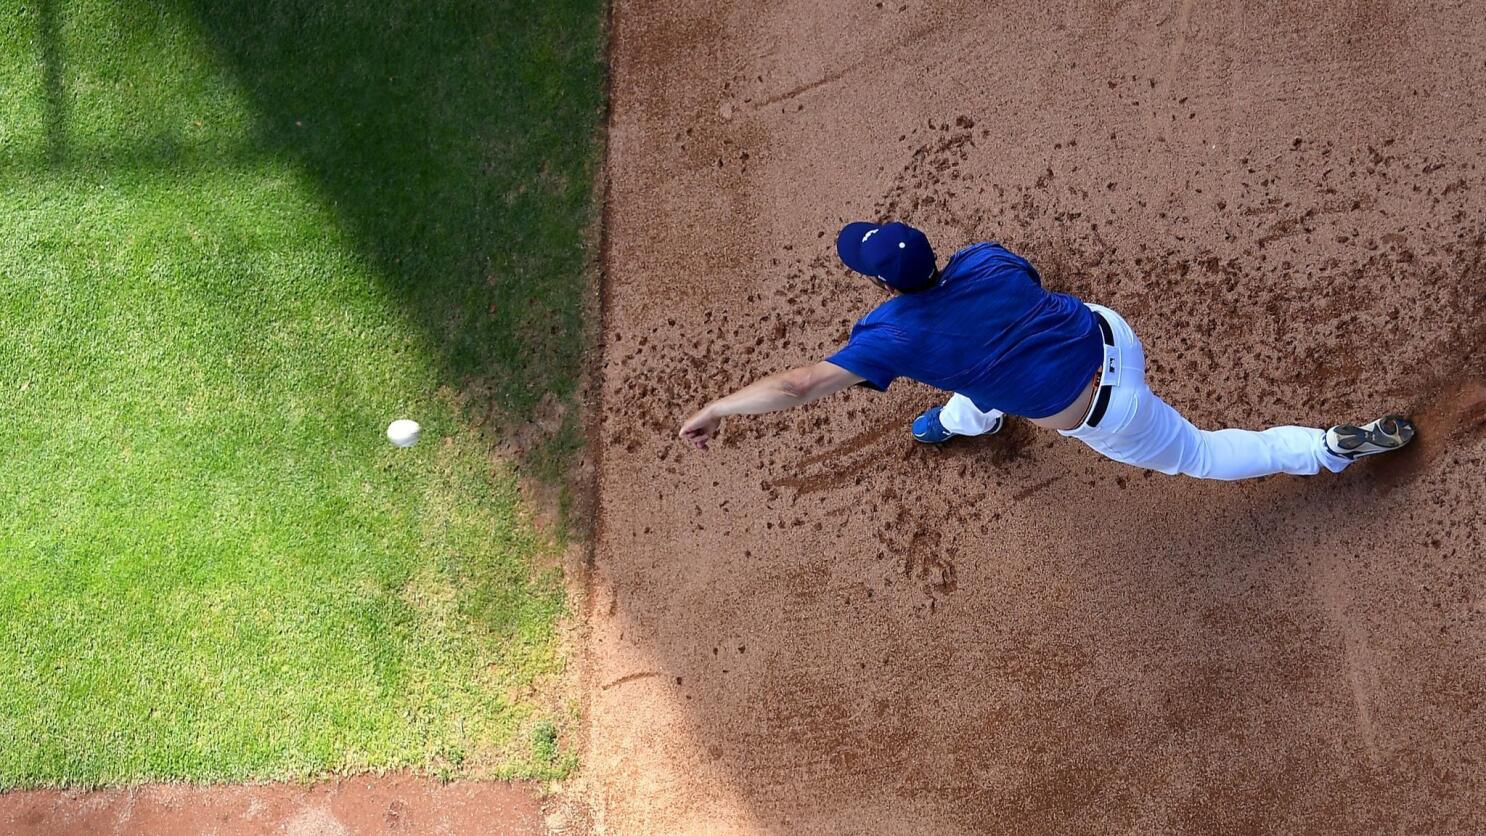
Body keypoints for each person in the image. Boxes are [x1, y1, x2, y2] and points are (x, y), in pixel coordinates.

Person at [678, 221, 1415, 479]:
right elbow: (1007, 301)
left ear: (878, 283)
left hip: (1109, 411)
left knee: (1203, 456)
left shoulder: (889, 336)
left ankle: (1324, 448)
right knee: (981, 386)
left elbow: (803, 384)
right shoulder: (985, 259)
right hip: (1111, 333)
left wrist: (719, 405)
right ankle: (965, 422)